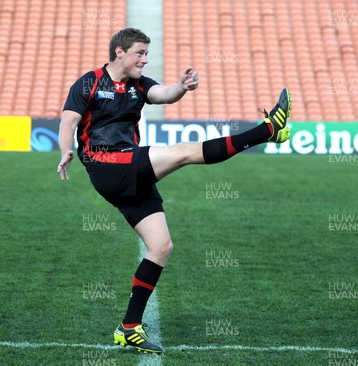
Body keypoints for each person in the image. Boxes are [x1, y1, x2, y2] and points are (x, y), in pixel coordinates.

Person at [57, 28, 291, 354]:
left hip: (128, 168)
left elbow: (164, 94)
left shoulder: (139, 85)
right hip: (105, 163)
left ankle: (129, 327)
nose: (145, 58)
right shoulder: (90, 82)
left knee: (161, 246)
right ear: (120, 52)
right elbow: (68, 121)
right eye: (140, 52)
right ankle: (267, 129)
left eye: (146, 53)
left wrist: (182, 86)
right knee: (184, 152)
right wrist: (65, 150)